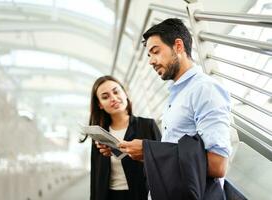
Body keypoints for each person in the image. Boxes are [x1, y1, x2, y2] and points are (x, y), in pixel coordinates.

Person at [119, 18, 232, 199]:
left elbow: (217, 164)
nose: (151, 62)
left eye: (155, 52)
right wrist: (146, 155)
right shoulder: (177, 93)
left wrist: (150, 151)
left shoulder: (205, 89)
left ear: (178, 46)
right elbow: (178, 151)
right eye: (149, 56)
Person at [82, 75, 161, 200]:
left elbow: (163, 162)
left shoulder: (147, 126)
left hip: (142, 194)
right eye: (105, 97)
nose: (113, 98)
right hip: (109, 195)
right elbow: (96, 177)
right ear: (100, 105)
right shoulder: (99, 135)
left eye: (116, 91)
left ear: (125, 93)